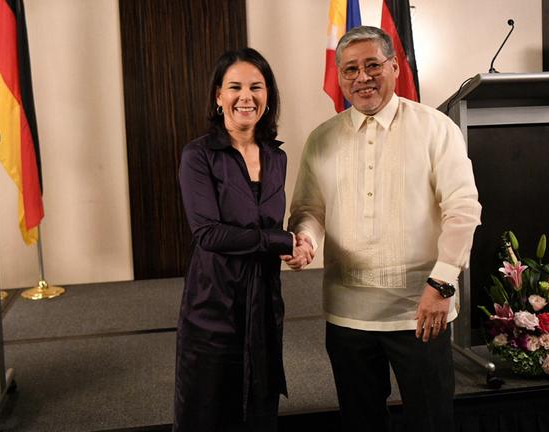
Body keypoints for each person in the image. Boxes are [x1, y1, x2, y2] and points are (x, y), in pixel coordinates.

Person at [284, 26, 481, 431]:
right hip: (347, 314)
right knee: (361, 422)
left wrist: (443, 284)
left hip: (421, 309)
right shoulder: (321, 139)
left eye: (373, 65)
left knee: (432, 421)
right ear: (339, 77)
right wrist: (305, 239)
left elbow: (463, 209)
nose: (362, 77)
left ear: (394, 66)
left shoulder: (435, 128)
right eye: (350, 69)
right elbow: (308, 209)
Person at [173, 47, 309, 432]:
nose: (245, 97)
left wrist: (297, 245)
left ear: (268, 97)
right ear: (219, 96)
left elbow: (268, 225)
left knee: (259, 413)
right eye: (235, 87)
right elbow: (208, 233)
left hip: (264, 302)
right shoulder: (197, 155)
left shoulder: (276, 156)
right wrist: (283, 241)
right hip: (213, 304)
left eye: (256, 87)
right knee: (208, 412)